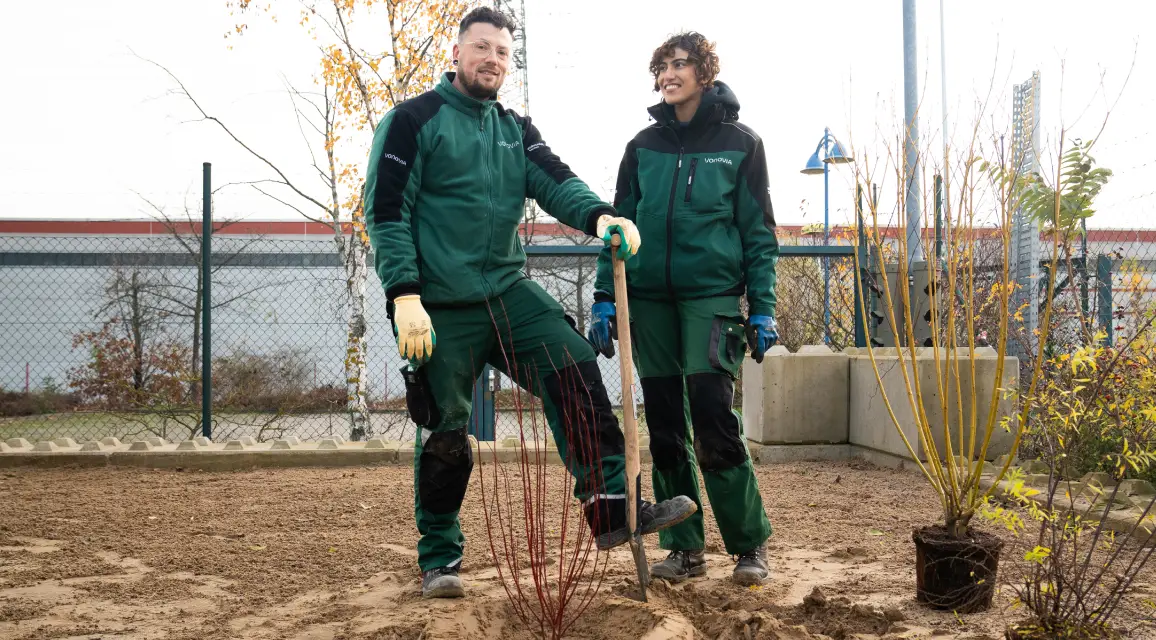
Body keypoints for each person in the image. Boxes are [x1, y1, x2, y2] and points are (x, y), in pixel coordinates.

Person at [363, 7, 697, 599]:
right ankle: (439, 556)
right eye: (482, 47)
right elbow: (387, 214)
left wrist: (602, 216)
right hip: (437, 305)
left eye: (502, 53)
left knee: (572, 360)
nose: (492, 59)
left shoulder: (515, 129)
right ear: (458, 53)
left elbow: (556, 181)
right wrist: (403, 295)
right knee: (445, 433)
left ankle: (612, 509)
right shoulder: (413, 122)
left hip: (506, 294)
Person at [588, 32, 780, 586]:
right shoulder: (641, 146)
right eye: (662, 67)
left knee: (715, 419)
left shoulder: (741, 144)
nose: (669, 74)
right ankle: (684, 548)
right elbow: (617, 229)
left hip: (710, 299)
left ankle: (748, 545)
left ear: (704, 72)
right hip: (648, 301)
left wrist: (762, 308)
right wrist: (604, 296)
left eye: (681, 64)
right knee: (667, 425)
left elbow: (758, 235)